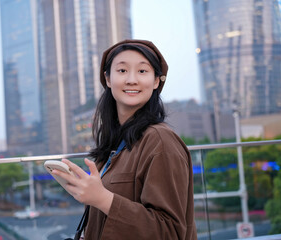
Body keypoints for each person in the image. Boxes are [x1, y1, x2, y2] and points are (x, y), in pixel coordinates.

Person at [52, 39, 197, 239]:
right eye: (122, 71)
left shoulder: (160, 140)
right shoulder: (115, 143)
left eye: (142, 71)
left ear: (156, 81)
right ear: (108, 79)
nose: (131, 79)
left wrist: (102, 198)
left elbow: (170, 232)